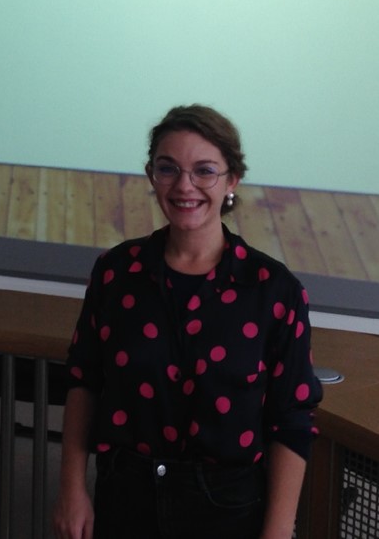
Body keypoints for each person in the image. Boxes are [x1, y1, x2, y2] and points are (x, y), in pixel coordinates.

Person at [54, 104, 322, 539]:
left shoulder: (275, 291)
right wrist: (71, 488)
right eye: (168, 169)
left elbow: (291, 420)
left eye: (204, 171)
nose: (184, 186)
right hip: (125, 494)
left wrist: (276, 533)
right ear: (151, 175)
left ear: (232, 180)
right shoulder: (116, 271)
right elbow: (84, 380)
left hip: (229, 508)